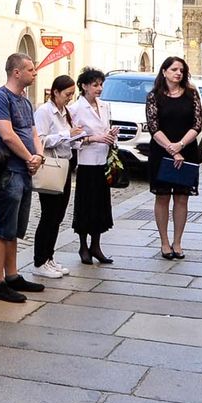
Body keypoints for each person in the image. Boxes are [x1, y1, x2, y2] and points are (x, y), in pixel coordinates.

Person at [0, 54, 47, 303]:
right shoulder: (0, 98)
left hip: (24, 170)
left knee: (15, 228)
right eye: (31, 69)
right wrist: (28, 158)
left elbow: (33, 133)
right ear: (16, 72)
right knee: (3, 228)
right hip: (9, 171)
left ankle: (12, 275)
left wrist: (39, 155)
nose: (35, 73)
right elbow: (7, 135)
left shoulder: (25, 101)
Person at [143, 56, 202, 259]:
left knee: (181, 198)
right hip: (161, 151)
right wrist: (171, 148)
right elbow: (153, 126)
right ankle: (164, 243)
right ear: (164, 72)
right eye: (174, 69)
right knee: (162, 197)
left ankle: (177, 242)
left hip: (186, 151)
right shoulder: (154, 96)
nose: (179, 73)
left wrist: (180, 146)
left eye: (182, 70)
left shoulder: (192, 95)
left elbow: (197, 124)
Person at [31, 75, 80, 279]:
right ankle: (39, 260)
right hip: (51, 166)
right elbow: (41, 140)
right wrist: (67, 134)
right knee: (49, 215)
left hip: (65, 165)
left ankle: (49, 257)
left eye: (72, 94)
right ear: (56, 92)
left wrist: (78, 138)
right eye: (67, 94)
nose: (70, 98)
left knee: (58, 216)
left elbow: (68, 138)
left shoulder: (64, 111)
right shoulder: (44, 111)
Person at [70, 68, 120, 265]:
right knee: (86, 205)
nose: (99, 88)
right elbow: (73, 139)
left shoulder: (104, 106)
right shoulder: (76, 109)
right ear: (84, 86)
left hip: (103, 160)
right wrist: (93, 138)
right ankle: (83, 245)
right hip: (87, 162)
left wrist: (110, 134)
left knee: (100, 205)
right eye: (95, 85)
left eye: (101, 84)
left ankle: (96, 245)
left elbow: (104, 129)